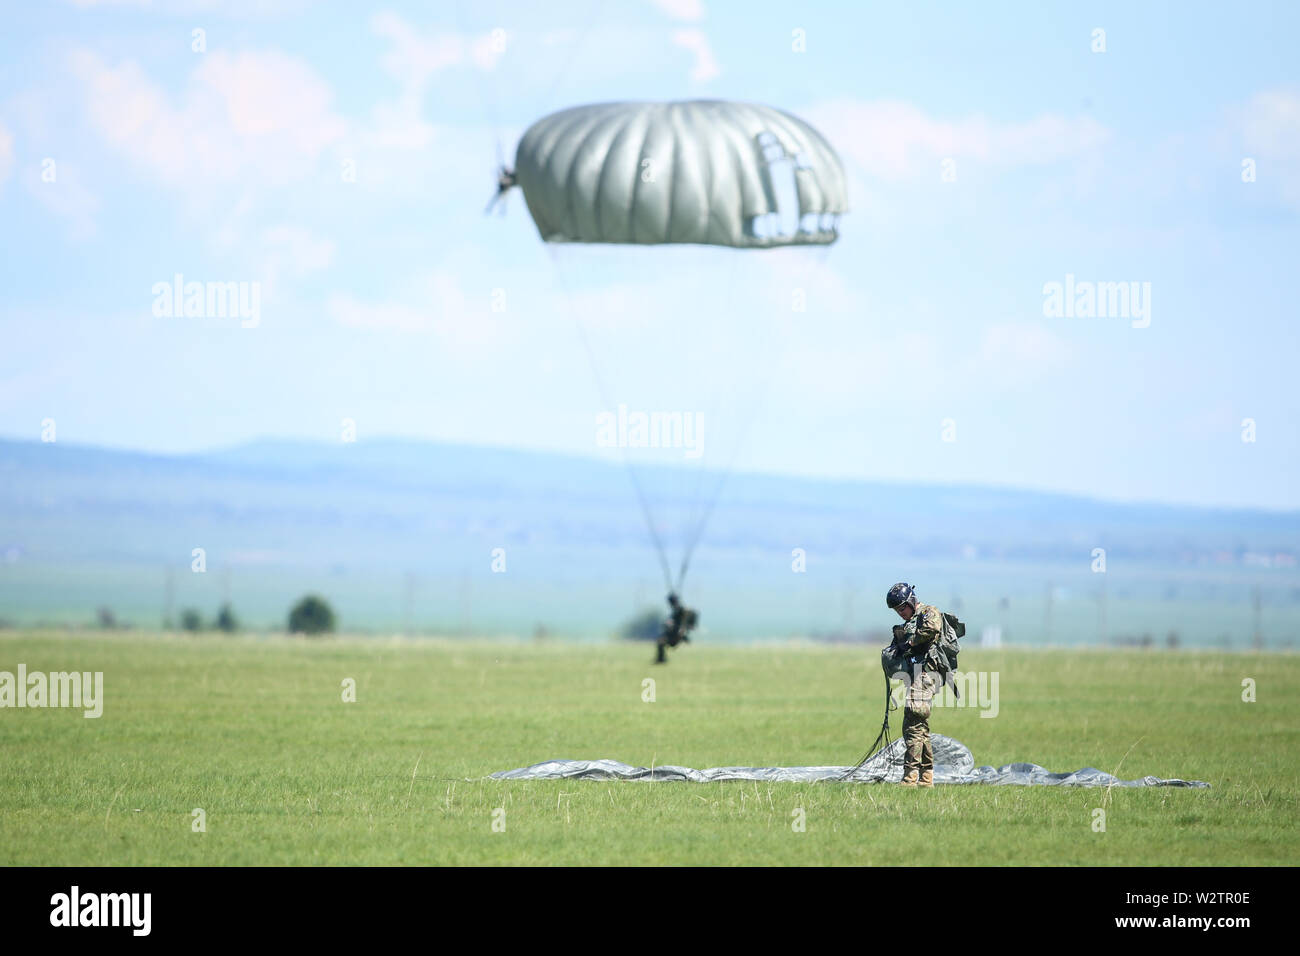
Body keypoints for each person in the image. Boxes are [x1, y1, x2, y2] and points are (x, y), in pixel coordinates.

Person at [885, 582, 944, 788]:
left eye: (902, 608)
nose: (900, 613)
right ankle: (926, 778)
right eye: (897, 610)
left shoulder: (929, 612)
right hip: (914, 675)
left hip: (926, 674)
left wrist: (909, 644)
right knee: (920, 727)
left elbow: (932, 628)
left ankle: (910, 778)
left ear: (911, 601)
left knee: (912, 725)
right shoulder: (907, 624)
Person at [655, 592, 697, 664]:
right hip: (673, 634)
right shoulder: (676, 611)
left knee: (661, 642)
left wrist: (689, 625)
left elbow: (690, 613)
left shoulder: (681, 611)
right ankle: (661, 659)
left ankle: (661, 660)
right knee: (660, 642)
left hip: (677, 635)